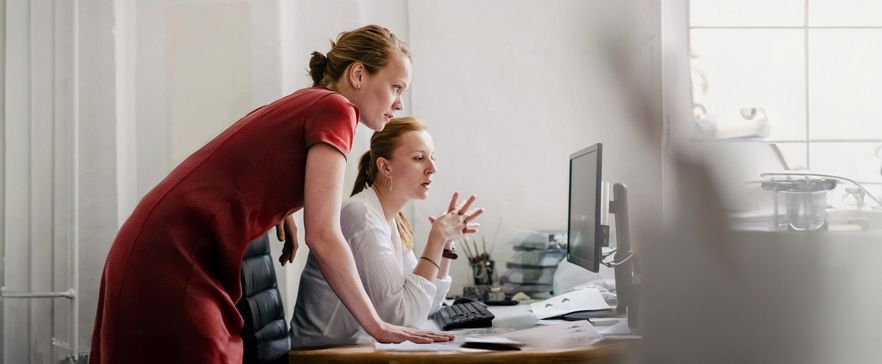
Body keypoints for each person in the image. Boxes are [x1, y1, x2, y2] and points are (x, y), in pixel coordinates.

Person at [89, 25, 458, 364]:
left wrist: (283, 207)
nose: (399, 103)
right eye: (396, 88)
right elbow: (324, 235)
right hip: (177, 250)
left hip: (161, 237)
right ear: (359, 74)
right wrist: (378, 326)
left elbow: (248, 160)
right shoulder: (337, 108)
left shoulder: (313, 101)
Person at [290, 117, 483, 347]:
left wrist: (446, 244)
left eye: (433, 157)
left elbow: (426, 306)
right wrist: (436, 237)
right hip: (319, 355)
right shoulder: (361, 215)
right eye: (419, 158)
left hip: (350, 347)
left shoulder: (390, 219)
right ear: (385, 167)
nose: (433, 168)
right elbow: (403, 319)